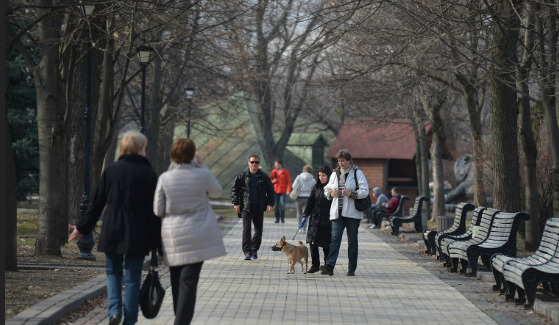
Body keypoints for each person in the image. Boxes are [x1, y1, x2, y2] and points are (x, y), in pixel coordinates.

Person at [68, 131, 161, 325]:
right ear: (139, 149)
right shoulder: (149, 174)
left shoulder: (112, 170)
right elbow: (154, 212)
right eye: (143, 147)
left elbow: (96, 204)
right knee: (133, 278)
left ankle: (114, 311)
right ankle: (130, 320)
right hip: (138, 233)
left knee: (113, 273)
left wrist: (82, 228)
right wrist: (155, 242)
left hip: (113, 229)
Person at [153, 138, 226, 325]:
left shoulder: (165, 178)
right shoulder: (202, 174)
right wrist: (203, 166)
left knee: (176, 280)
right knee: (189, 282)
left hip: (173, 236)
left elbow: (158, 210)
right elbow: (217, 191)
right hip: (198, 235)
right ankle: (181, 321)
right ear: (193, 154)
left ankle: (180, 317)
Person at [320, 149, 369, 277]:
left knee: (352, 241)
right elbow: (326, 189)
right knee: (335, 240)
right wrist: (331, 193)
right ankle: (329, 267)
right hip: (337, 213)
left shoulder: (357, 173)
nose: (340, 163)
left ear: (348, 161)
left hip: (352, 214)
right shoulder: (334, 174)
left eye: (343, 160)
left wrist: (351, 194)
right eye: (339, 161)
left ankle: (351, 268)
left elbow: (365, 191)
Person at [231, 155, 275, 260]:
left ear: (259, 164)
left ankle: (254, 249)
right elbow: (234, 189)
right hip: (246, 207)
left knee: (258, 231)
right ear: (248, 163)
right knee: (246, 229)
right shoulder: (242, 175)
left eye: (256, 162)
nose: (254, 164)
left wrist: (270, 204)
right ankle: (247, 252)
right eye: (252, 162)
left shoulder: (263, 177)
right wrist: (236, 203)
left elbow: (271, 191)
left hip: (259, 207)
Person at [302, 165, 332, 273]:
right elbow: (310, 201)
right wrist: (305, 213)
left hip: (327, 220)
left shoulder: (332, 187)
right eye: (319, 175)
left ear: (328, 176)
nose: (321, 178)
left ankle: (327, 266)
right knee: (312, 243)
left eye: (323, 175)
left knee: (326, 245)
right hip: (314, 219)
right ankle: (315, 265)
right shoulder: (316, 187)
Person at [291, 164, 316, 231]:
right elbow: (315, 189)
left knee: (299, 213)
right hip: (308, 198)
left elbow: (293, 186)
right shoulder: (313, 179)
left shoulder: (299, 177)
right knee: (306, 214)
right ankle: (304, 228)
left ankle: (300, 228)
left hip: (299, 197)